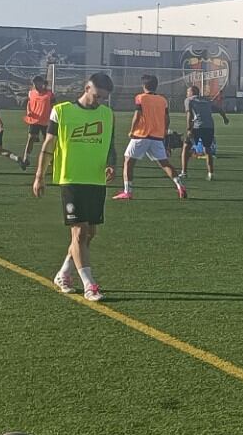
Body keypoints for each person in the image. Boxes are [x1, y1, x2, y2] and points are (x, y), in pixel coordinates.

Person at [31, 71, 117, 302]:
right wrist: (40, 175)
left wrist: (111, 164)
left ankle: (64, 273)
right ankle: (90, 286)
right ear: (87, 88)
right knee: (78, 233)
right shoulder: (62, 111)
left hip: (96, 180)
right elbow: (48, 145)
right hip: (71, 179)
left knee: (90, 233)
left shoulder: (107, 114)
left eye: (103, 98)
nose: (99, 101)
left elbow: (110, 144)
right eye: (97, 96)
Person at [115, 74, 187, 201]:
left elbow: (137, 115)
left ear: (143, 86)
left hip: (141, 135)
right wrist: (164, 131)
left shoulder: (140, 98)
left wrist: (132, 131)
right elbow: (167, 118)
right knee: (165, 164)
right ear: (156, 86)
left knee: (128, 162)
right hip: (157, 137)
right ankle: (180, 186)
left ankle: (128, 192)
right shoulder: (162, 100)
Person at [181, 82, 229, 182]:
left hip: (197, 127)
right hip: (209, 127)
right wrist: (225, 118)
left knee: (186, 146)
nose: (186, 93)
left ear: (192, 92)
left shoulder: (189, 100)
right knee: (207, 149)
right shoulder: (206, 101)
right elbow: (219, 109)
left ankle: (184, 172)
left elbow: (189, 114)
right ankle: (210, 173)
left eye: (187, 91)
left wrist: (189, 129)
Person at [20, 76, 55, 171]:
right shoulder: (31, 93)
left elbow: (53, 106)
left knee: (47, 142)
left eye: (37, 82)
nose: (35, 84)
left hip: (46, 121)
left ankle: (51, 160)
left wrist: (52, 118)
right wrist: (28, 111)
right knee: (31, 138)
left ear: (41, 83)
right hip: (34, 120)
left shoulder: (49, 94)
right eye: (34, 83)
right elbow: (29, 103)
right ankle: (26, 158)